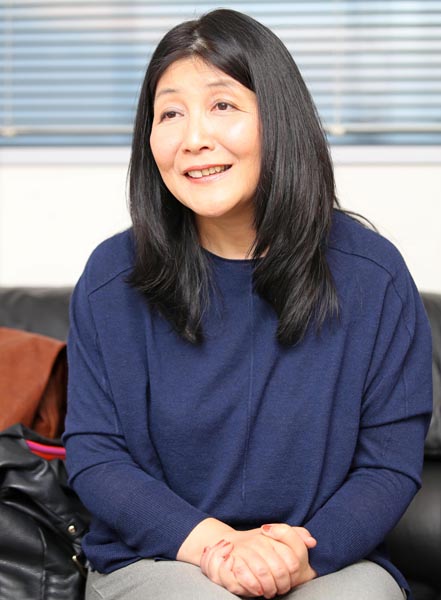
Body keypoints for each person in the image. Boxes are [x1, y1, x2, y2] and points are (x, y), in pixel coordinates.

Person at [63, 8, 433, 600]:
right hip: (160, 555)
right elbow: (96, 455)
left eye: (223, 105)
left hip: (324, 558)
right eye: (170, 113)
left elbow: (387, 466)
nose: (194, 138)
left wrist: (298, 557)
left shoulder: (373, 276)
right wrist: (215, 547)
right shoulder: (113, 277)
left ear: (279, 119)